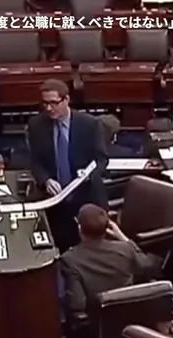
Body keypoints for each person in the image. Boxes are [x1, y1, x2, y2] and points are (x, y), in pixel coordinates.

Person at [26, 79, 109, 251]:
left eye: (54, 103)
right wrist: (46, 180)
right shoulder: (36, 125)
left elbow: (102, 159)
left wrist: (87, 175)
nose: (49, 108)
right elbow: (35, 161)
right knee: (59, 247)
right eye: (45, 103)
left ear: (66, 100)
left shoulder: (90, 124)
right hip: (54, 199)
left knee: (90, 250)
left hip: (86, 197)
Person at [58, 203, 162, 316]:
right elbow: (148, 267)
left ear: (79, 228)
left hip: (98, 320)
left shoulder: (69, 260)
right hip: (130, 316)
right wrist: (124, 239)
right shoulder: (125, 249)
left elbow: (77, 304)